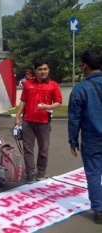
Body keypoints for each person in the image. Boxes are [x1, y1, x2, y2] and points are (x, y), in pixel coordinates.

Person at [14, 59, 62, 184]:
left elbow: (58, 102)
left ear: (48, 70)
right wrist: (17, 116)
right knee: (27, 148)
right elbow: (23, 101)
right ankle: (29, 173)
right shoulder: (28, 84)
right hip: (28, 121)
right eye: (40, 69)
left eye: (45, 69)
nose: (43, 71)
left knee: (44, 148)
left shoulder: (53, 85)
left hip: (44, 121)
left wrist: (48, 107)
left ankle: (41, 171)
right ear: (35, 70)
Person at [68, 49, 102, 224]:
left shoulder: (81, 89)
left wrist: (73, 140)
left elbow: (74, 118)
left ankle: (98, 210)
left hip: (92, 140)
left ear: (85, 66)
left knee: (94, 175)